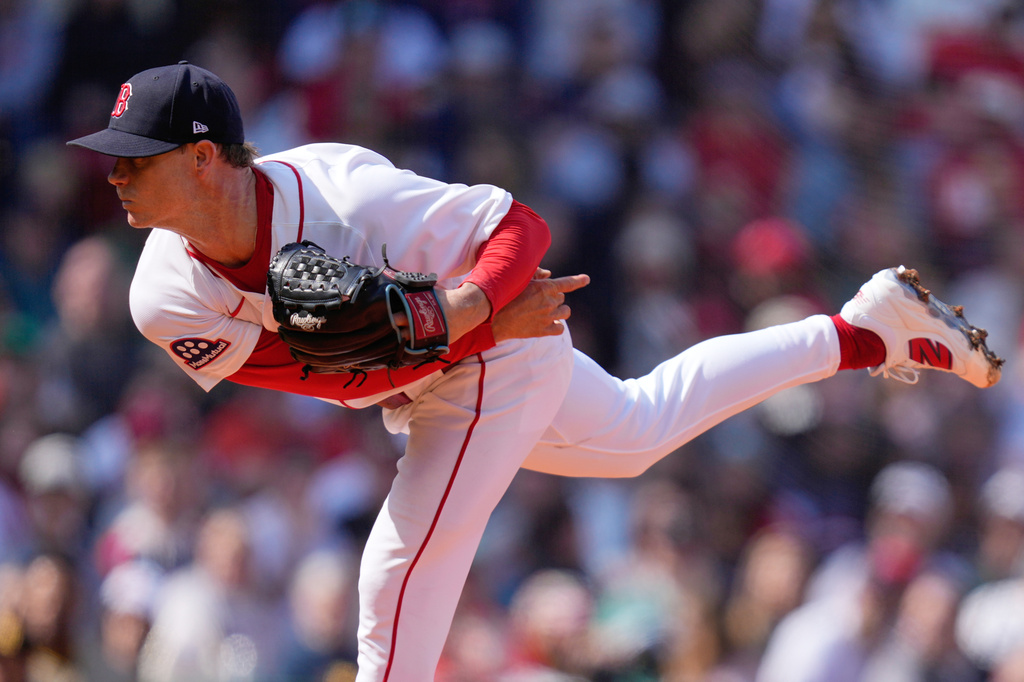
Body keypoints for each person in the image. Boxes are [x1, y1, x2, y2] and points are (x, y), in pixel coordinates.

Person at [67, 61, 1003, 682]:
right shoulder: (163, 296)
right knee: (637, 430)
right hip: (458, 349)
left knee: (399, 564)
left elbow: (523, 231)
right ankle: (858, 333)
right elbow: (332, 380)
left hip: (496, 349)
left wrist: (467, 312)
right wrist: (459, 324)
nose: (113, 176)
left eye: (133, 160)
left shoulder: (348, 196)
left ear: (202, 157)